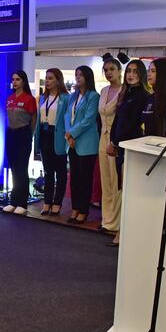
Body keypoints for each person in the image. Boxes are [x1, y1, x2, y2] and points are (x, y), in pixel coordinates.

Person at [108, 60, 151, 245]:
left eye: (135, 71)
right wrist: (112, 140)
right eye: (129, 71)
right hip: (121, 146)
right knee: (121, 188)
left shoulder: (144, 96)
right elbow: (117, 120)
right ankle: (120, 230)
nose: (131, 75)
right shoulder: (125, 94)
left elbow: (134, 124)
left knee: (128, 190)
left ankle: (123, 233)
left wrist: (117, 141)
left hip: (131, 147)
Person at [64, 66, 99, 224]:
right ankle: (75, 208)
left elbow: (89, 119)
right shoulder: (73, 96)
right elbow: (66, 115)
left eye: (81, 75)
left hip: (87, 142)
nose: (78, 77)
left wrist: (72, 133)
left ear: (88, 77)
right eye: (76, 74)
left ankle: (84, 210)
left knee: (85, 178)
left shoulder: (93, 96)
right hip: (72, 142)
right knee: (75, 178)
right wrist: (68, 135)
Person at [1, 70, 37, 215]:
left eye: (17, 79)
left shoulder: (29, 99)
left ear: (23, 81)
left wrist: (30, 134)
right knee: (13, 168)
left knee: (22, 168)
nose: (14, 82)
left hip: (23, 134)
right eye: (13, 79)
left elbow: (33, 118)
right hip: (11, 133)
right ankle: (13, 201)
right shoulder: (9, 98)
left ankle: (22, 202)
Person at [35, 69, 69, 216]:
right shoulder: (43, 98)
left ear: (58, 80)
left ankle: (57, 203)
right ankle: (47, 202)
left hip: (58, 135)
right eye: (46, 78)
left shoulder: (66, 98)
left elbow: (68, 119)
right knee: (48, 171)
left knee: (60, 172)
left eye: (50, 78)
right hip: (44, 134)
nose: (47, 81)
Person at [97, 58, 122, 235]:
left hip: (116, 140)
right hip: (102, 138)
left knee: (116, 181)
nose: (108, 72)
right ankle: (106, 220)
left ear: (119, 71)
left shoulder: (124, 91)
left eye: (112, 69)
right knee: (105, 180)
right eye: (105, 69)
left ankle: (116, 222)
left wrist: (115, 141)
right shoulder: (104, 90)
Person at [143, 58, 166, 137]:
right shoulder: (150, 97)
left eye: (153, 71)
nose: (149, 74)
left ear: (162, 73)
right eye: (149, 70)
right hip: (146, 143)